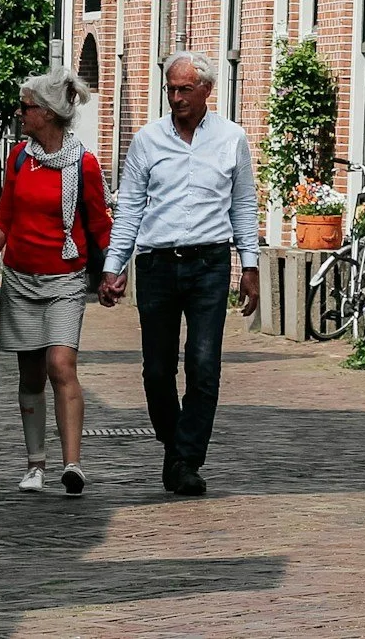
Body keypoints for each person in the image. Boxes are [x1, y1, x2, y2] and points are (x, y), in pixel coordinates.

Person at [98, 50, 260, 497]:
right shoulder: (148, 140)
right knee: (156, 369)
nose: (175, 97)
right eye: (170, 89)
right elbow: (129, 207)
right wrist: (114, 268)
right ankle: (175, 442)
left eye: (184, 89)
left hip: (209, 262)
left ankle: (186, 460)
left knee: (204, 363)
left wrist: (250, 265)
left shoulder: (232, 139)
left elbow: (243, 205)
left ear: (207, 90)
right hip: (156, 265)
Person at [0, 67, 112, 496]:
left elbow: (99, 223)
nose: (20, 114)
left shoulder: (83, 165)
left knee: (60, 365)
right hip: (21, 279)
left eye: (26, 107)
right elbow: (5, 216)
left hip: (65, 280)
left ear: (49, 114)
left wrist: (114, 270)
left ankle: (72, 464)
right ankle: (35, 463)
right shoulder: (20, 157)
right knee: (31, 375)